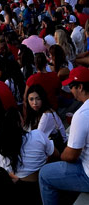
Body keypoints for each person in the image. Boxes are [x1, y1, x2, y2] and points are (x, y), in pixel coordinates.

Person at [39, 66, 89, 204]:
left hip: (87, 174)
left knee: (44, 174)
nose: (70, 91)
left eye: (71, 87)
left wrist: (60, 156)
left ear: (79, 87)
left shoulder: (82, 115)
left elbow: (71, 155)